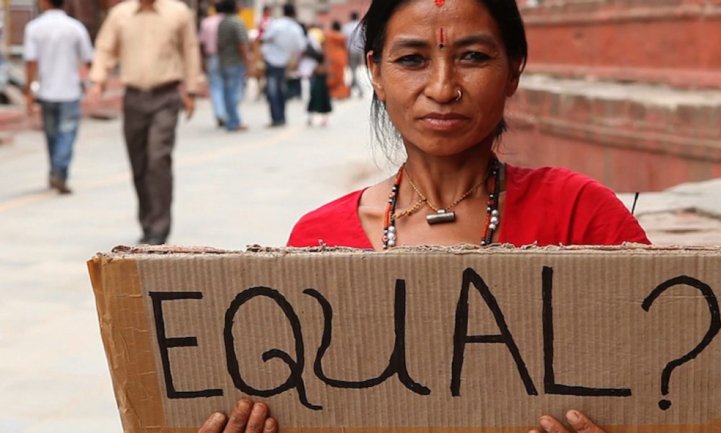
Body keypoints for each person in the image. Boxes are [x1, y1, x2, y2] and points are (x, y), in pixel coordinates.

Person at [198, 0, 648, 432]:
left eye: (472, 56)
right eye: (412, 59)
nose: (442, 88)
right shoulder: (318, 238)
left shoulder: (581, 217)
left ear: (514, 69)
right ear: (375, 72)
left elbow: (667, 388)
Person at [88, 0, 201, 246]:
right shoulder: (120, 14)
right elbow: (106, 47)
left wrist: (191, 90)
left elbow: (190, 49)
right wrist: (99, 79)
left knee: (158, 158)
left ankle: (159, 227)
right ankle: (148, 222)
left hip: (166, 95)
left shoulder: (178, 12)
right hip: (134, 97)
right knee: (139, 163)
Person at [23, 0, 94, 194]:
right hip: (69, 91)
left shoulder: (34, 28)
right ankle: (59, 171)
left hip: (46, 91)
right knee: (67, 134)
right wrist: (94, 84)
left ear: (44, 2)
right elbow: (88, 59)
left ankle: (56, 170)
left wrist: (28, 91)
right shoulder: (75, 28)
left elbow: (31, 62)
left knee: (52, 135)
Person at [260, 3, 306, 127]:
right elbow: (301, 47)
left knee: (272, 91)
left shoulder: (276, 25)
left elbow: (265, 38)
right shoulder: (296, 28)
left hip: (272, 61)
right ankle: (282, 117)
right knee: (282, 90)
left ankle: (276, 118)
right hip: (286, 63)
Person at [217, 0, 251, 131]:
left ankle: (230, 118)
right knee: (234, 93)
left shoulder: (222, 23)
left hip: (224, 61)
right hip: (235, 62)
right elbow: (242, 44)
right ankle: (234, 121)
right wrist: (247, 61)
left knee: (227, 93)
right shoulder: (237, 22)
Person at [199, 1, 227, 127]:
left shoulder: (207, 22)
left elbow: (202, 43)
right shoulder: (228, 21)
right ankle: (227, 113)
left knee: (215, 86)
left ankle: (219, 113)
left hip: (212, 57)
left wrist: (202, 60)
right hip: (228, 58)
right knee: (227, 86)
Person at [305, 26, 331, 127]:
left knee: (321, 97)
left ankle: (323, 118)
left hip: (320, 76)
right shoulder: (312, 49)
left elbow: (326, 61)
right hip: (316, 76)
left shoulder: (321, 48)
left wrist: (321, 68)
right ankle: (311, 118)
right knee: (314, 96)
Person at [341, 10, 365, 98]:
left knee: (353, 71)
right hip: (359, 50)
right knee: (355, 71)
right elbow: (364, 38)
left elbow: (344, 40)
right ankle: (351, 89)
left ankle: (355, 89)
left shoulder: (346, 27)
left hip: (350, 51)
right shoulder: (361, 26)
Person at [324, 20, 350, 99]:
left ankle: (331, 92)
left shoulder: (328, 36)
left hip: (331, 57)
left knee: (332, 75)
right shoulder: (342, 37)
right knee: (340, 76)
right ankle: (341, 93)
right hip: (341, 57)